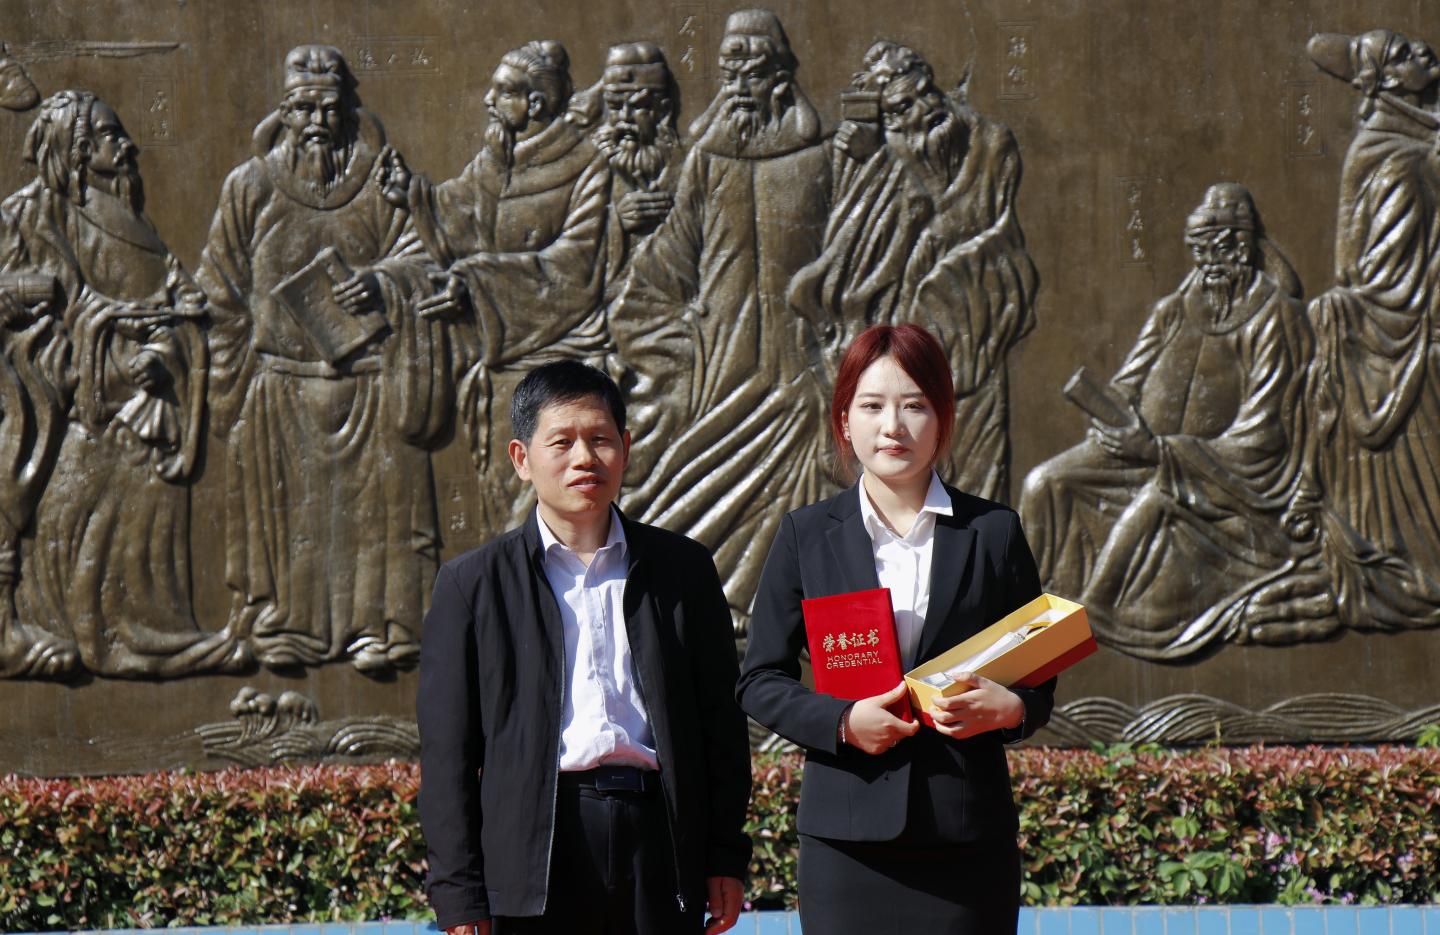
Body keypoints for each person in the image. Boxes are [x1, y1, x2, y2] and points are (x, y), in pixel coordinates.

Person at [417, 360, 751, 935]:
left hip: (658, 841)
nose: (584, 458)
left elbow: (720, 725)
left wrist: (725, 854)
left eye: (600, 439)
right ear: (522, 458)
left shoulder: (683, 570)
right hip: (537, 851)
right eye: (562, 442)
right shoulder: (473, 585)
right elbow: (448, 755)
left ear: (625, 448)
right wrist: (460, 892)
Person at [738, 323, 1052, 933]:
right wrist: (841, 722)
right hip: (846, 840)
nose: (893, 426)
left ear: (942, 419)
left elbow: (1038, 674)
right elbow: (759, 679)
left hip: (967, 838)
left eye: (914, 406)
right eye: (872, 406)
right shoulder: (807, 535)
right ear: (844, 421)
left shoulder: (994, 532)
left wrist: (1011, 709)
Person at [198, 44, 454, 675]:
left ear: (348, 112)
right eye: (303, 107)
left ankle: (384, 629)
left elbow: (425, 260)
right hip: (280, 392)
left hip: (371, 388)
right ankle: (284, 627)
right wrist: (234, 390)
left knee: (377, 523)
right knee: (293, 521)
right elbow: (219, 291)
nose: (316, 121)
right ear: (283, 113)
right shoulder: (250, 186)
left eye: (329, 107)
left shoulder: (380, 181)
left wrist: (382, 283)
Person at [1018, 183, 1316, 659]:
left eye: (1220, 250)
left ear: (1244, 249)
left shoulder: (1276, 319)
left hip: (1222, 472)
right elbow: (1129, 381)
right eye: (1200, 251)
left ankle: (1084, 620)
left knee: (1154, 501)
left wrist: (1163, 452)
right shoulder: (1174, 310)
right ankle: (1021, 618)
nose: (1209, 263)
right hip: (1143, 449)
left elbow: (1262, 432)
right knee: (1044, 482)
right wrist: (1109, 415)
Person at [3, 91, 243, 677]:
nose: (128, 145)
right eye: (112, 136)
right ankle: (89, 634)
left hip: (143, 401)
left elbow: (177, 295)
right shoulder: (33, 217)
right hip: (80, 401)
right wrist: (107, 343)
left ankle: (153, 633)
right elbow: (33, 308)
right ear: (80, 149)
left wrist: (164, 345)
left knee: (145, 522)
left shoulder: (130, 217)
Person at [612, 9, 833, 627]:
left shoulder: (823, 159)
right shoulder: (707, 161)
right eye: (728, 73)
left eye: (751, 72)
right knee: (682, 490)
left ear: (781, 77)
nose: (737, 86)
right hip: (719, 364)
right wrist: (673, 348)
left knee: (805, 465)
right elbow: (665, 264)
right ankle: (694, 604)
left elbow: (856, 253)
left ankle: (773, 611)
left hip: (798, 363)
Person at [790, 40, 1039, 502]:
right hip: (895, 345)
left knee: (973, 479)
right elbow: (851, 244)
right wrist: (867, 159)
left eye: (922, 94)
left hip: (970, 328)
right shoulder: (887, 155)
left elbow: (968, 221)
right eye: (899, 109)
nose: (920, 112)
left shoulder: (989, 143)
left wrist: (893, 158)